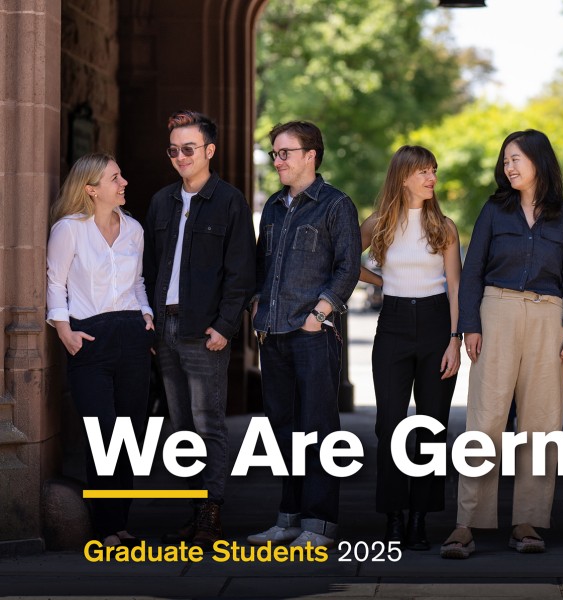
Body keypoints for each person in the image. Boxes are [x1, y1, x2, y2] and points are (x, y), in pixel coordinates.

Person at [440, 129, 563, 559]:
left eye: (516, 159)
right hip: (496, 311)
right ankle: (467, 523)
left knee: (541, 424)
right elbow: (473, 269)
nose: (509, 167)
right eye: (506, 161)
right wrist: (470, 325)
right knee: (485, 420)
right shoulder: (494, 209)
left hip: (548, 316)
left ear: (539, 161)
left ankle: (528, 521)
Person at [143, 110, 256, 548]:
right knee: (181, 427)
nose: (180, 156)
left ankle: (212, 515)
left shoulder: (229, 201)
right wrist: (149, 319)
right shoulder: (160, 202)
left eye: (189, 148)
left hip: (204, 331)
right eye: (173, 149)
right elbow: (150, 267)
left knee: (209, 425)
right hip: (165, 327)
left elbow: (241, 272)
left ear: (209, 151)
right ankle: (194, 511)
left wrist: (225, 326)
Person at [247, 121, 361, 549]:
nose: (277, 161)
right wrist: (256, 304)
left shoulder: (336, 205)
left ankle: (320, 524)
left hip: (312, 333)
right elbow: (262, 264)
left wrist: (320, 312)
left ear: (310, 155)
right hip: (272, 334)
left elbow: (348, 267)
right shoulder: (274, 206)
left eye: (284, 153)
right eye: (275, 153)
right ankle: (288, 518)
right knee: (282, 430)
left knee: (317, 429)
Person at [46, 153, 154, 547]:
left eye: (121, 175)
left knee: (129, 437)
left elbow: (138, 280)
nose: (123, 182)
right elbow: (55, 283)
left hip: (131, 335)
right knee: (103, 434)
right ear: (91, 189)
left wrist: (146, 314)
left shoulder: (134, 230)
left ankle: (120, 524)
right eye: (115, 177)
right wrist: (64, 331)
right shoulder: (69, 230)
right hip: (89, 338)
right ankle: (106, 527)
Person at [359, 145, 462, 550]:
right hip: (393, 326)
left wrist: (455, 340)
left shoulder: (445, 226)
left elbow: (455, 285)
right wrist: (384, 283)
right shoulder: (379, 223)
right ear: (403, 177)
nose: (431, 178)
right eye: (423, 172)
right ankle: (394, 517)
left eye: (433, 170)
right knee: (389, 425)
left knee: (431, 426)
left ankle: (421, 516)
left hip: (438, 326)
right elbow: (345, 260)